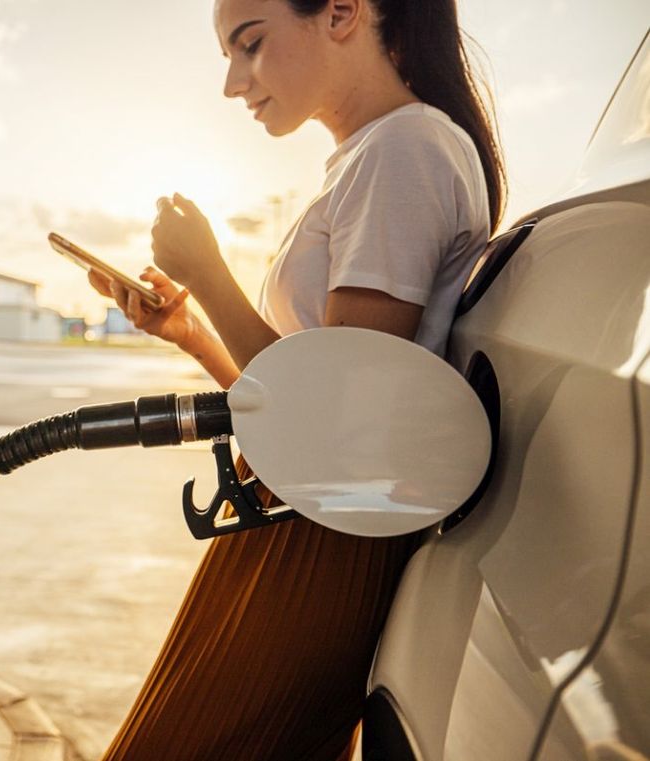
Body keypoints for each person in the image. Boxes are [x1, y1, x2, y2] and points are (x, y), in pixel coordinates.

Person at [87, 0, 505, 758]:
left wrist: (210, 272)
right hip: (295, 504)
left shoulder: (406, 148)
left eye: (249, 45)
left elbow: (332, 409)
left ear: (342, 13)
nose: (232, 84)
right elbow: (291, 393)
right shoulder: (374, 153)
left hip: (321, 529)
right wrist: (192, 330)